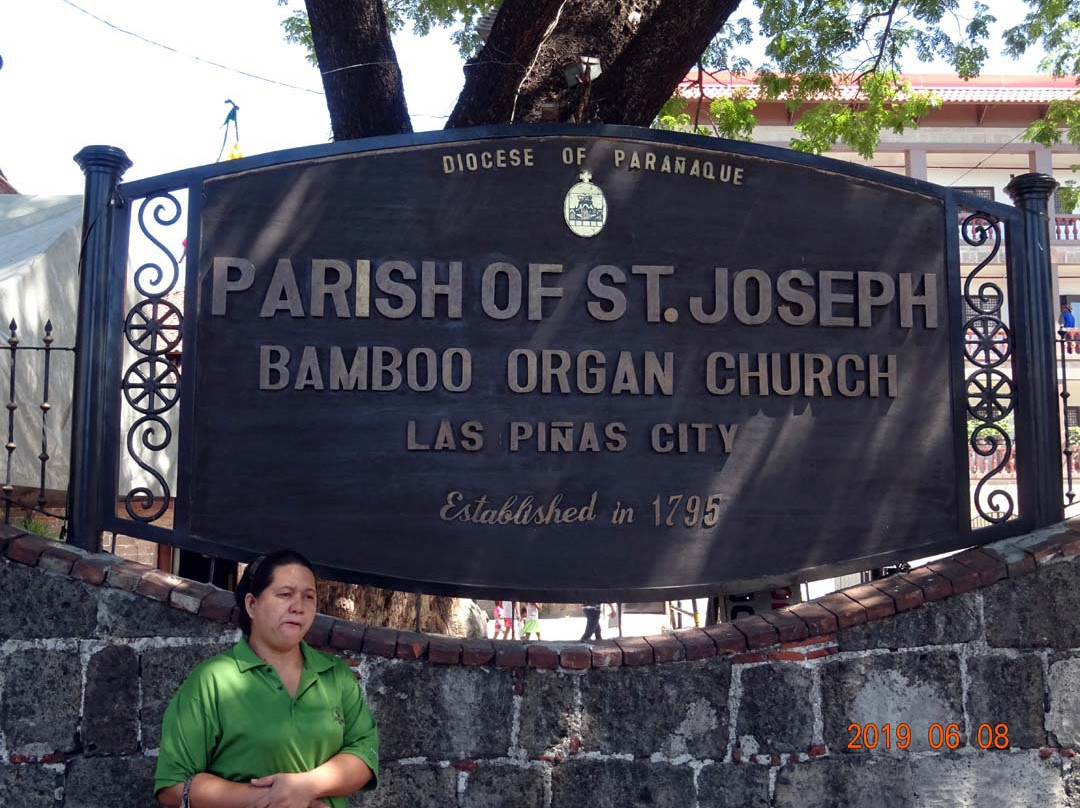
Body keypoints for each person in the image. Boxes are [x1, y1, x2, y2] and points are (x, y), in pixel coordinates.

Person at [154, 550, 378, 808]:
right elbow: (172, 786)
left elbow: (364, 753)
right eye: (285, 594)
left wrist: (306, 786)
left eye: (309, 597)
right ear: (252, 604)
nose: (298, 607)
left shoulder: (335, 675)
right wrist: (270, 799)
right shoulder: (213, 680)